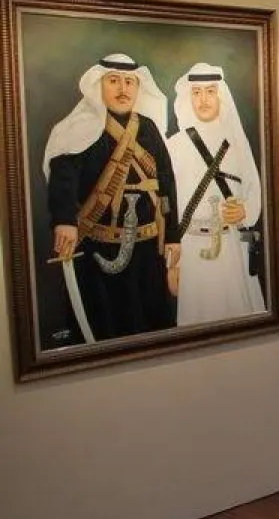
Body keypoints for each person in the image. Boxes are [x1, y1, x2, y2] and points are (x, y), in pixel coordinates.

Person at [44, 53, 180, 342]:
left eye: (130, 82)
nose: (123, 89)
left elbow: (166, 185)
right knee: (106, 327)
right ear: (99, 85)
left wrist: (173, 235)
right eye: (114, 81)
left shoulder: (149, 128)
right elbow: (63, 179)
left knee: (153, 328)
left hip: (148, 251)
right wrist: (64, 220)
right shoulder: (79, 129)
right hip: (99, 251)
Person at [166, 63, 266, 325]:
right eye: (197, 92)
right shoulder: (174, 146)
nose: (203, 99)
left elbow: (253, 189)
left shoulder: (237, 143)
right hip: (191, 251)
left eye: (210, 91)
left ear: (220, 95)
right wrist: (172, 264)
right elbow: (168, 207)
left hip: (232, 247)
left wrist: (245, 210)